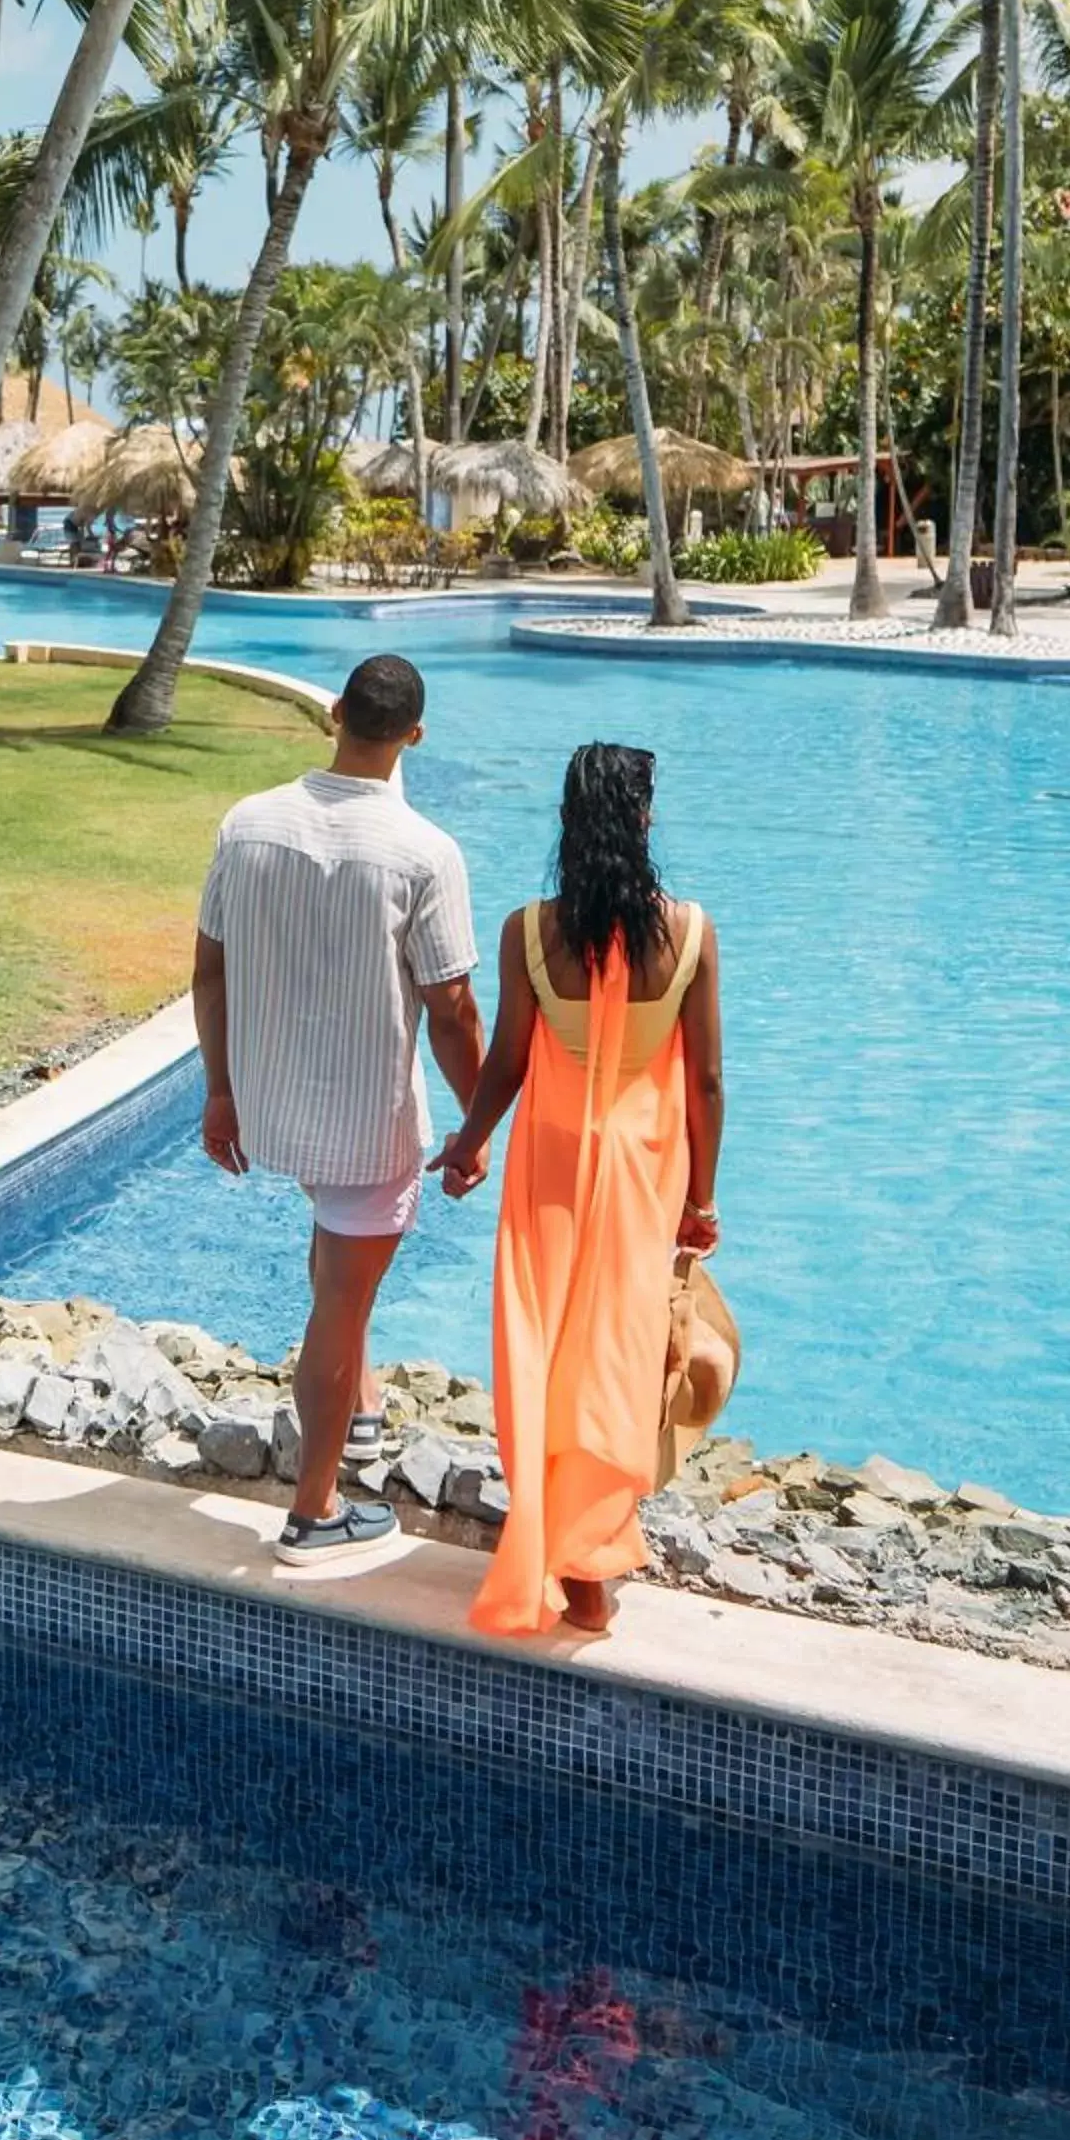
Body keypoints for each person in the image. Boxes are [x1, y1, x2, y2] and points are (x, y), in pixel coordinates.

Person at [194, 653, 483, 1559]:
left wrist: (220, 1091)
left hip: (276, 1105)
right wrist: (477, 1121)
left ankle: (357, 1415)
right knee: (342, 1307)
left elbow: (210, 968)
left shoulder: (247, 824)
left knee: (336, 1265)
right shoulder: (424, 852)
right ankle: (313, 1512)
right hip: (365, 1122)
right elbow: (452, 1010)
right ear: (415, 736)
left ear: (333, 718)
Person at [431, 743, 724, 1637]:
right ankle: (590, 1561)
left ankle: (555, 1543)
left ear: (568, 820)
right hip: (644, 1170)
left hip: (551, 1160)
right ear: (643, 819)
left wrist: (468, 1144)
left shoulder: (531, 931)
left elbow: (511, 1061)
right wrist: (701, 1201)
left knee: (541, 1344)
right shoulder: (689, 933)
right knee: (615, 1352)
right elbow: (706, 1082)